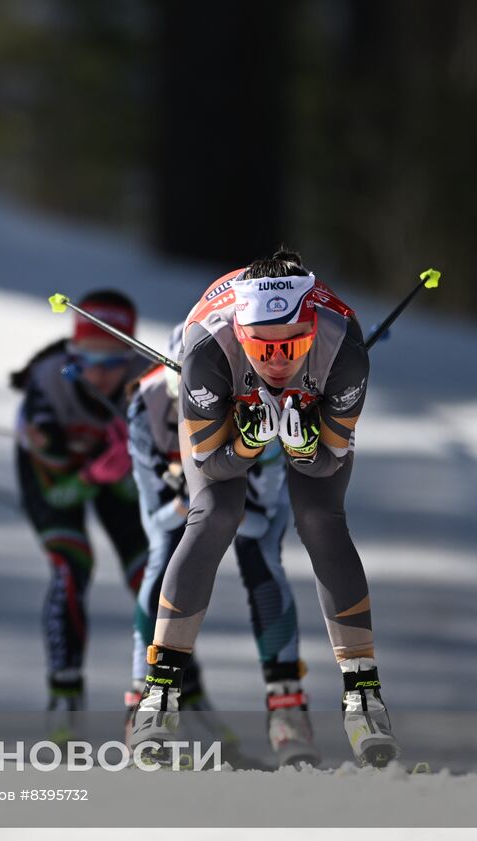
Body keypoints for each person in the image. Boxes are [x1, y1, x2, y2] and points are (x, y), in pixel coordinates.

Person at [132, 248, 398, 767]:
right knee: (214, 517)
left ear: (311, 325)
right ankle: (158, 696)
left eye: (292, 344)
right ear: (241, 332)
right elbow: (211, 465)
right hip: (229, 396)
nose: (278, 361)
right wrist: (247, 446)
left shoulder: (343, 348)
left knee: (322, 521)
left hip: (314, 398)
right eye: (263, 347)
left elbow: (326, 466)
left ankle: (364, 696)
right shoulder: (207, 346)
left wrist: (302, 448)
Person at [127, 324, 318, 767]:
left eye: (210, 407)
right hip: (192, 496)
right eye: (187, 409)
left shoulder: (260, 402)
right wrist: (186, 503)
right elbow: (155, 523)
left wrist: (208, 499)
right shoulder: (145, 405)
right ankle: (144, 703)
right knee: (163, 558)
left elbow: (261, 524)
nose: (195, 421)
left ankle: (288, 711)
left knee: (262, 558)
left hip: (246, 495)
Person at [10, 290, 149, 733]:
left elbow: (151, 485)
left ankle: (174, 694)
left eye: (115, 361)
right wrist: (92, 474)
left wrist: (124, 472)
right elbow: (57, 496)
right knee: (71, 568)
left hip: (113, 477)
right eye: (89, 357)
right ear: (73, 352)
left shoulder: (148, 383)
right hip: (56, 479)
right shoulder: (48, 383)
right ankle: (64, 698)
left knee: (152, 578)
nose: (101, 372)